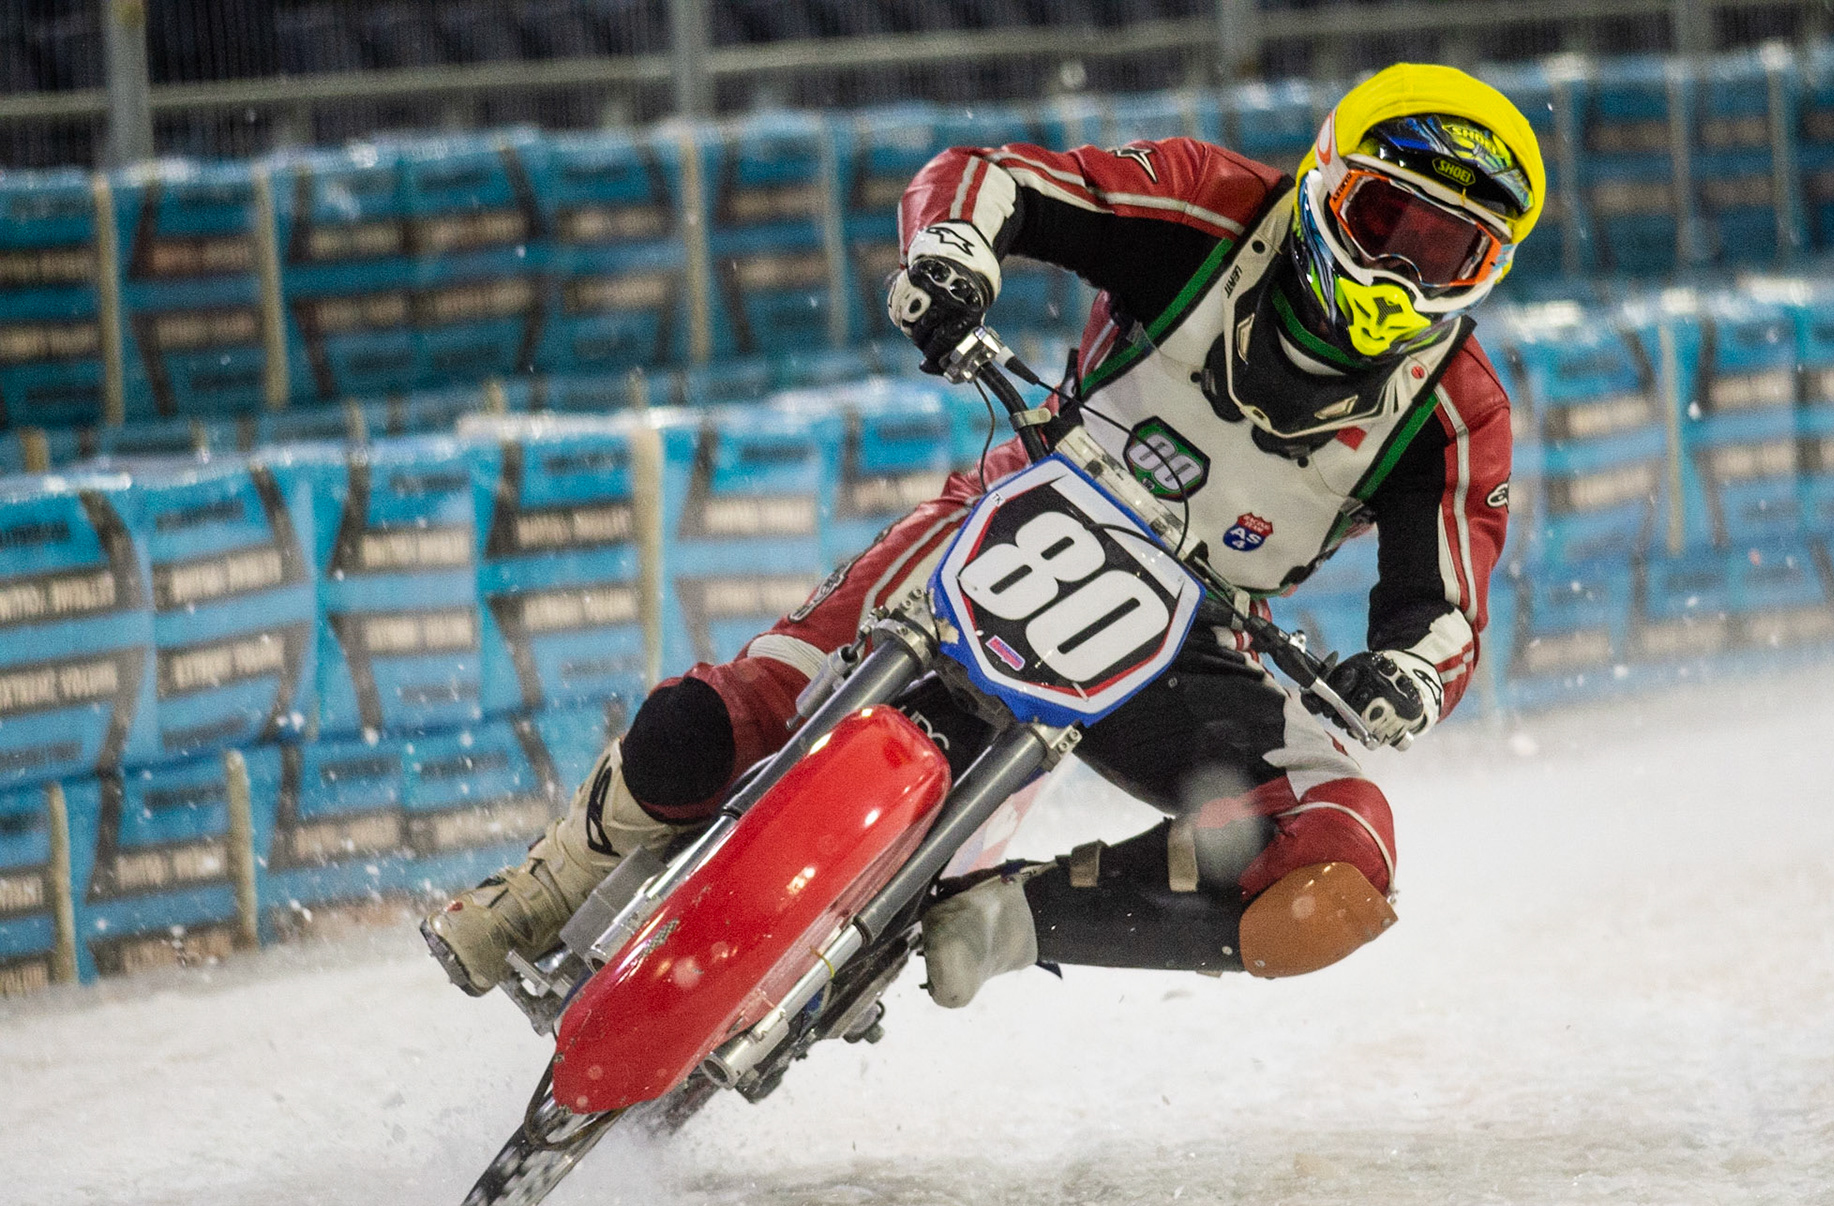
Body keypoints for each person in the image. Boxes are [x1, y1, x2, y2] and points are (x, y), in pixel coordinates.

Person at [423, 63, 1538, 1008]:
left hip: (1186, 641)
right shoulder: (1211, 204)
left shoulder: (1459, 410)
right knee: (738, 709)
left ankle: (1014, 918)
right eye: (1386, 224)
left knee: (1342, 862)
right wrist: (954, 255)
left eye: (1450, 254)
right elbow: (996, 177)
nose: (1402, 271)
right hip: (1014, 512)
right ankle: (549, 884)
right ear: (1326, 182)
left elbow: (1447, 607)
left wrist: (1405, 676)